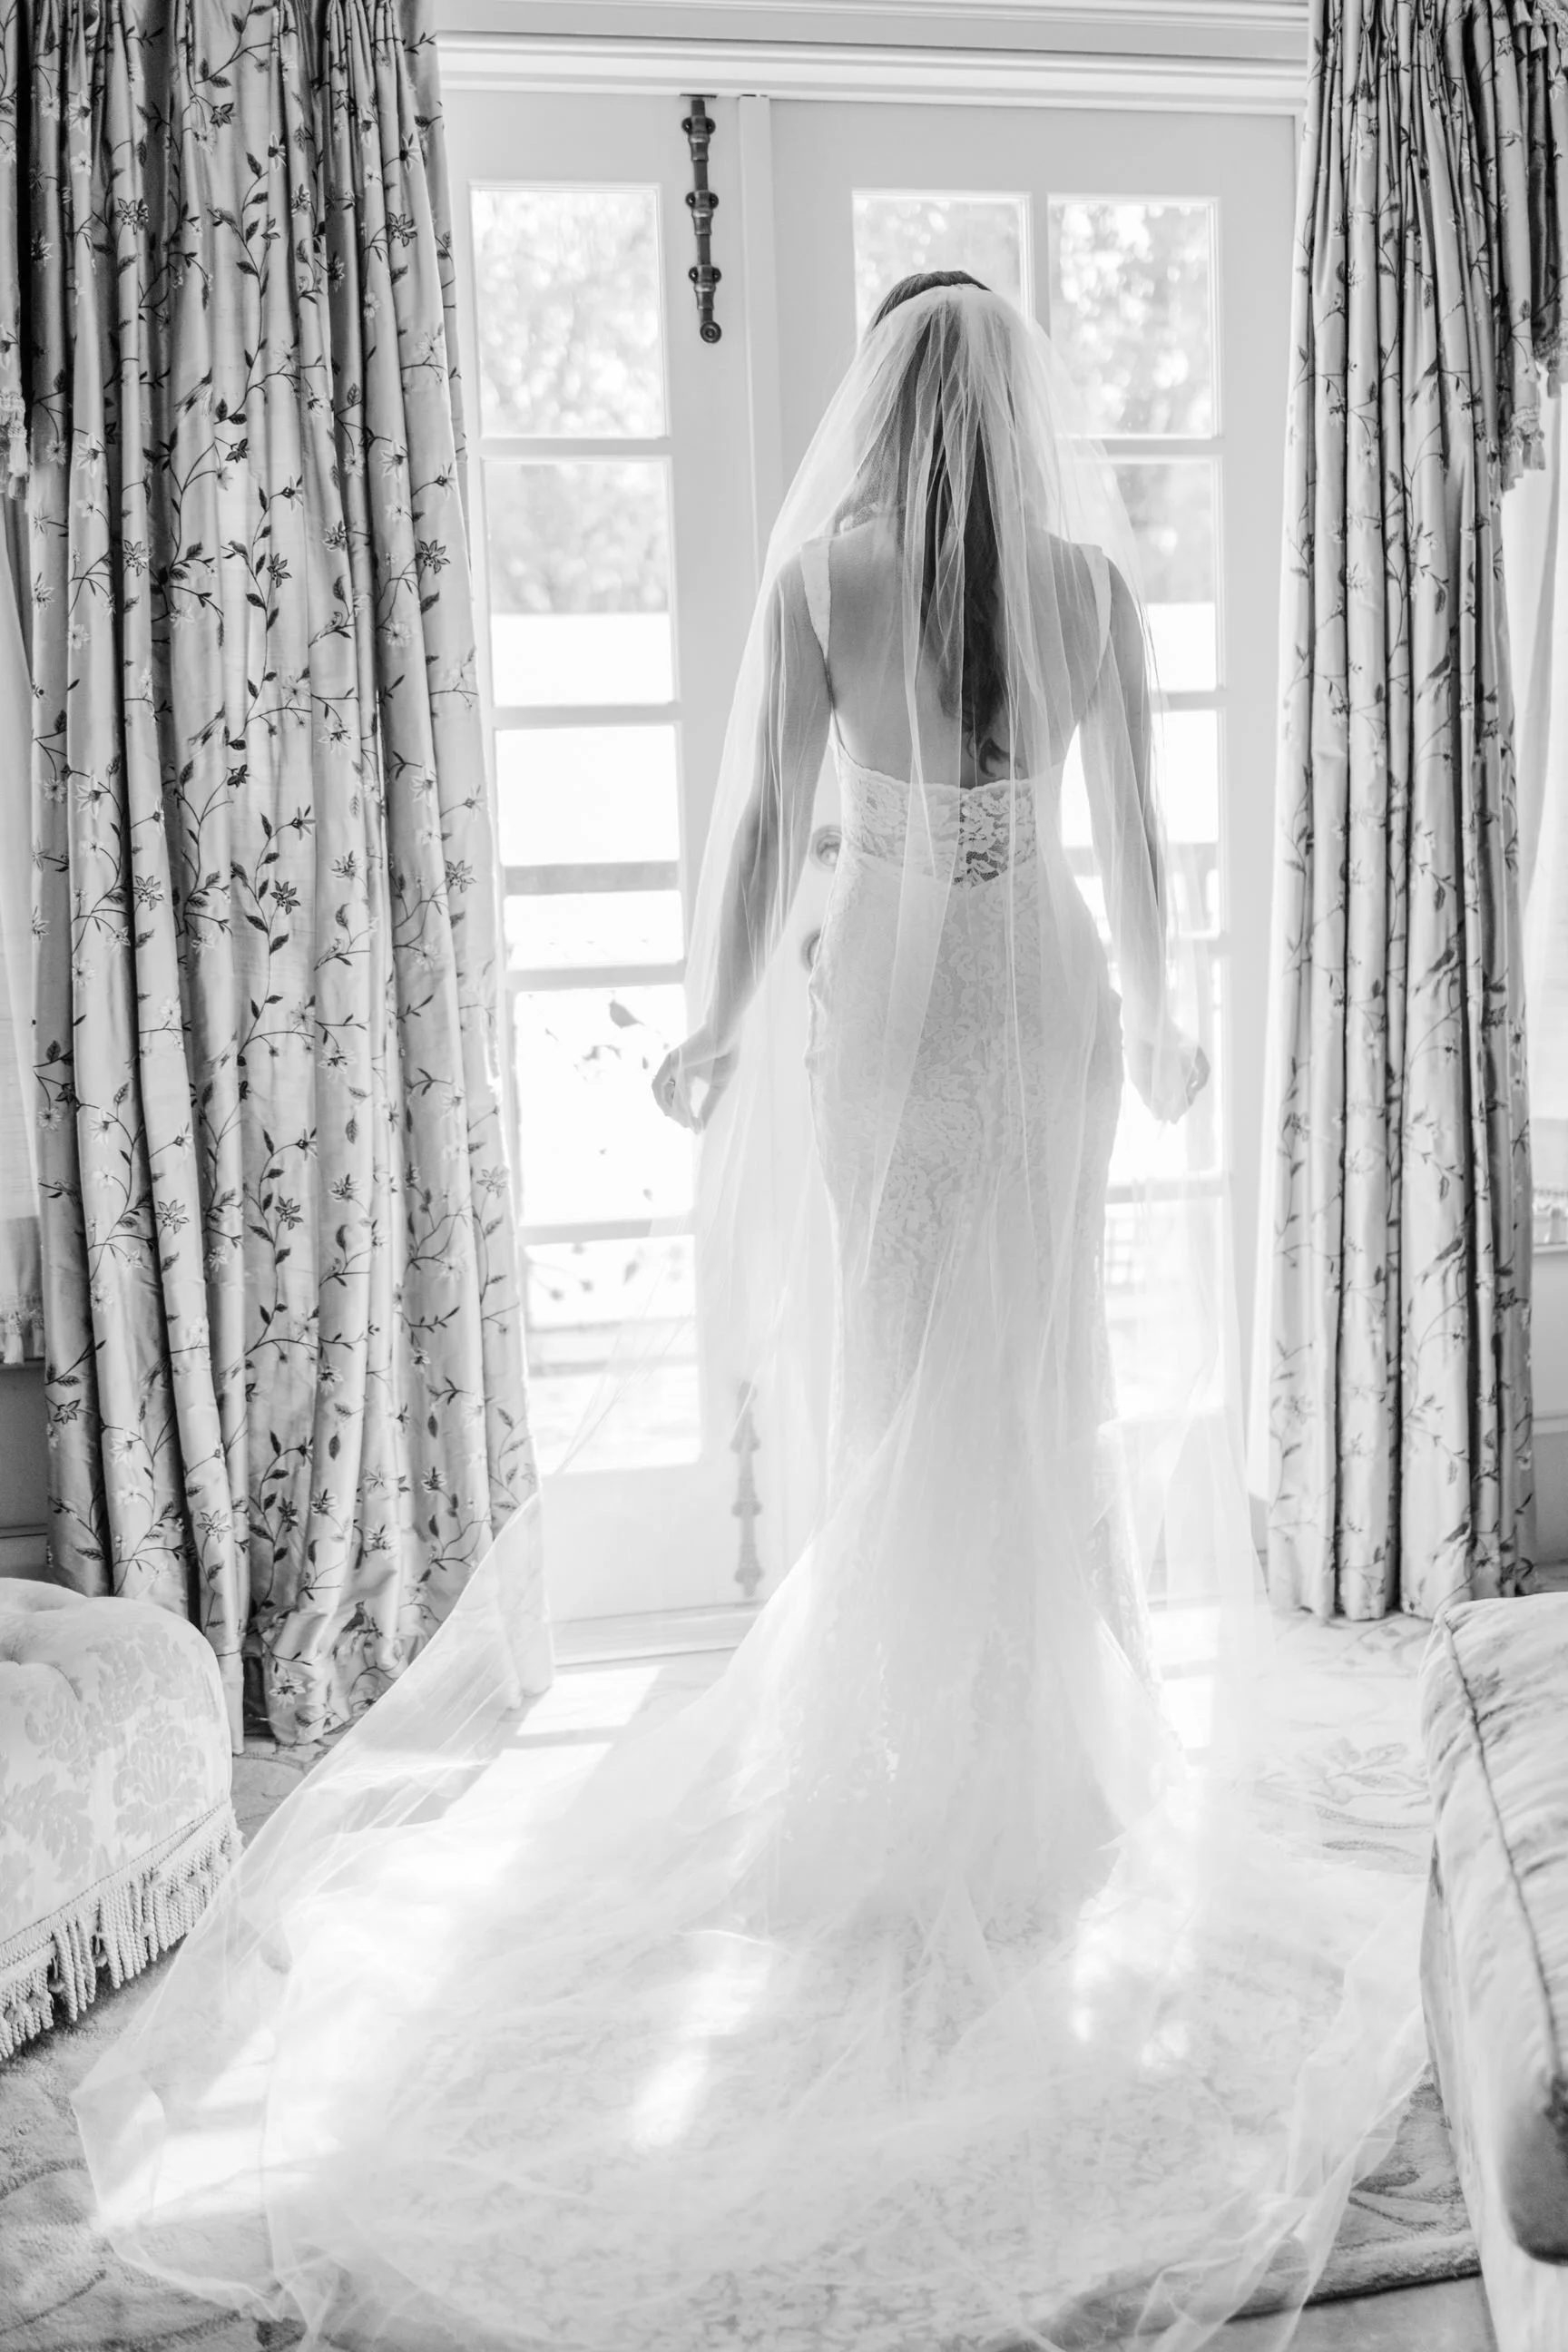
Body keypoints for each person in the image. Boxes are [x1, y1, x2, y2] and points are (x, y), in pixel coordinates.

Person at [73, 275, 1425, 2352]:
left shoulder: (827, 580)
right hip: (1037, 981)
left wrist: (712, 1024)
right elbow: (1139, 849)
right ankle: (1027, 1772)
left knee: (899, 1379)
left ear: (885, 397)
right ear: (1016, 403)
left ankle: (924, 1754)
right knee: (1029, 1372)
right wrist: (1158, 1018)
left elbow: (756, 839)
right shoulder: (1084, 592)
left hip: (885, 999)